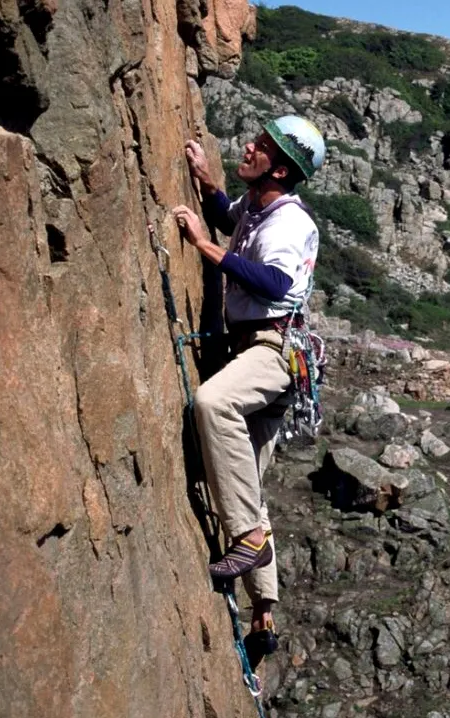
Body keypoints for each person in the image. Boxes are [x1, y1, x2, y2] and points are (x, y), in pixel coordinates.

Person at [170, 115, 325, 657]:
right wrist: (207, 180)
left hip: (272, 349)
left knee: (212, 403)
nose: (249, 148)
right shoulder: (258, 208)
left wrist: (203, 248)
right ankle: (264, 609)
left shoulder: (288, 221)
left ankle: (248, 543)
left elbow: (274, 283)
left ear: (279, 168)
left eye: (260, 148)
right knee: (244, 480)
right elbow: (225, 215)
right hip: (256, 347)